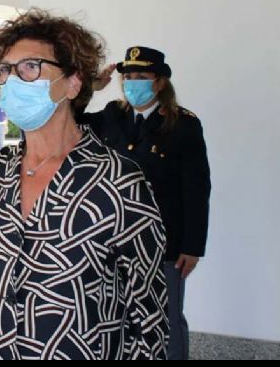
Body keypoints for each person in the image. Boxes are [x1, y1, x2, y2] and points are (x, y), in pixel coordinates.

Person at [0, 10, 168, 360]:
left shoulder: (118, 182)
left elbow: (147, 318)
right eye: (5, 71)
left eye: (30, 67)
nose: (12, 81)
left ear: (72, 82)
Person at [80, 46, 211, 360]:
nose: (132, 82)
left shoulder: (183, 125)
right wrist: (90, 87)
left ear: (160, 83)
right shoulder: (113, 116)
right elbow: (70, 119)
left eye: (141, 76)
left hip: (164, 242)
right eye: (128, 76)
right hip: (112, 240)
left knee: (165, 318)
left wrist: (193, 247)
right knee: (119, 315)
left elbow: (196, 189)